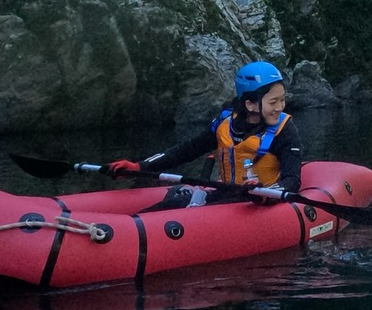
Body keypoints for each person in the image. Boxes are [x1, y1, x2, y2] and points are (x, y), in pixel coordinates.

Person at [107, 60, 303, 207]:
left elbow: (291, 181)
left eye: (282, 100)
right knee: (161, 209)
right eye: (273, 102)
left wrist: (264, 192)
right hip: (226, 195)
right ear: (250, 104)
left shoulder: (284, 130)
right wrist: (139, 166)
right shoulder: (224, 124)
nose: (280, 107)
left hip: (258, 203)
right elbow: (187, 150)